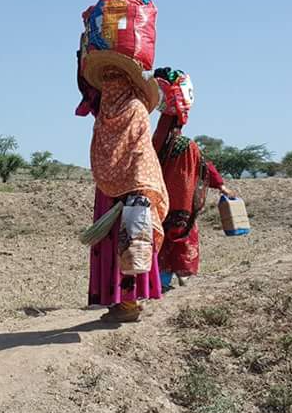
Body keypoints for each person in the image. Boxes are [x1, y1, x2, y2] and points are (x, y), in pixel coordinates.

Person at [77, 48, 168, 323]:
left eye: (115, 77)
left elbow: (139, 151)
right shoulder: (104, 112)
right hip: (114, 191)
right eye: (106, 79)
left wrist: (137, 188)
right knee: (118, 245)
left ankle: (130, 305)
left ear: (128, 80)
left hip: (131, 192)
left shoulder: (136, 110)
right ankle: (118, 302)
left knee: (131, 242)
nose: (110, 84)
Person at [151, 68, 234, 291]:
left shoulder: (154, 145)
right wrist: (221, 186)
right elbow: (205, 167)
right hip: (182, 203)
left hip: (159, 201)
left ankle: (163, 278)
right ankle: (180, 274)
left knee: (161, 236)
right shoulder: (188, 145)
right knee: (183, 234)